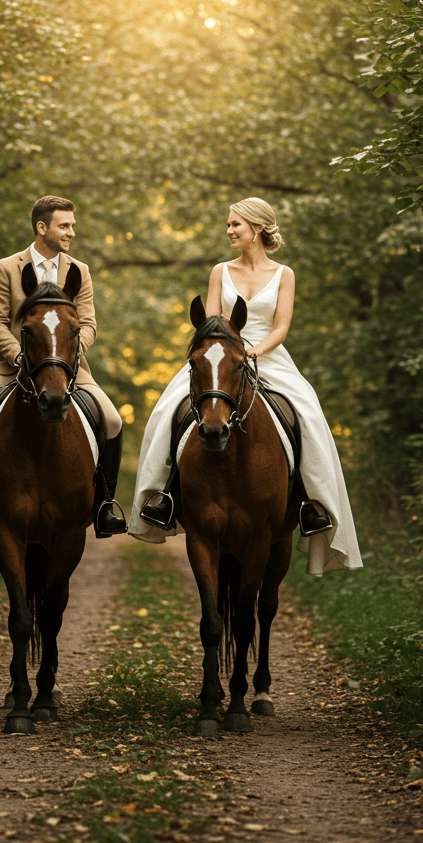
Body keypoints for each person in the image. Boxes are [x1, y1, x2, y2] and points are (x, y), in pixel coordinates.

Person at [128, 198, 362, 575]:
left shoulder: (284, 274)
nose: (229, 231)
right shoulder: (221, 270)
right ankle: (163, 496)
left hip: (268, 356)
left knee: (308, 416)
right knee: (167, 411)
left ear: (257, 228)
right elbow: (211, 322)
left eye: (236, 224)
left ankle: (310, 504)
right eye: (228, 225)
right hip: (223, 357)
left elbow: (281, 326)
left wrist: (253, 351)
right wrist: (230, 352)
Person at [0, 195, 127, 538]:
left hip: (68, 368)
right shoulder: (6, 268)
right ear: (42, 228)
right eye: (65, 225)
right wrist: (18, 356)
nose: (72, 232)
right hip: (9, 366)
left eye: (73, 225)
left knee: (113, 420)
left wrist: (69, 358)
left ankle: (105, 504)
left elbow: (88, 325)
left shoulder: (79, 271)